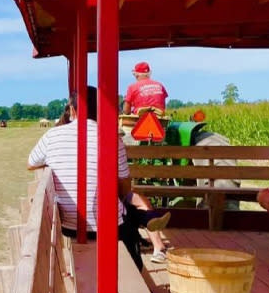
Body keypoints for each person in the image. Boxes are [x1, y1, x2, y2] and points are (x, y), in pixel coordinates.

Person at [28, 86, 171, 270]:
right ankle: (145, 223)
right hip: (108, 228)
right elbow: (125, 186)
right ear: (100, 109)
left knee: (123, 208)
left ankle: (144, 217)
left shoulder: (52, 135)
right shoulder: (111, 137)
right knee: (126, 210)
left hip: (69, 225)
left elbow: (30, 163)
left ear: (72, 109)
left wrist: (53, 161)